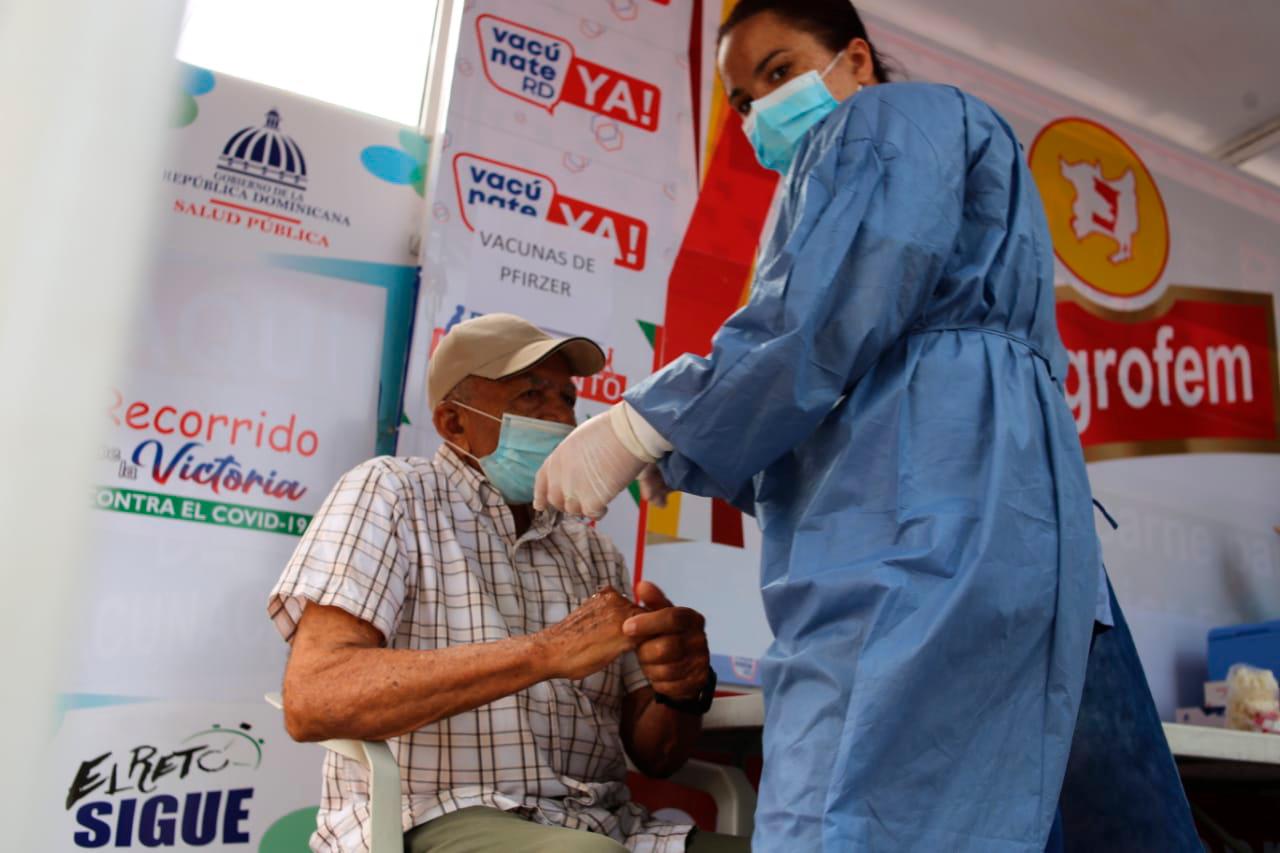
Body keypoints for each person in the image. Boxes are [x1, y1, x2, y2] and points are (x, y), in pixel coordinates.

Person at [534, 2, 1195, 851]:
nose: (761, 109)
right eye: (741, 100)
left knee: (856, 805)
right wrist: (694, 445)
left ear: (855, 59)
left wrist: (650, 422)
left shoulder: (888, 122)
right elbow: (825, 359)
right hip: (1012, 537)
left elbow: (814, 322)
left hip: (927, 539)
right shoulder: (900, 185)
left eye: (779, 71)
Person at [269, 314, 749, 853]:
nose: (562, 418)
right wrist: (546, 653)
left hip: (609, 826)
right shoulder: (393, 493)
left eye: (568, 400)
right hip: (433, 816)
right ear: (453, 423)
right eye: (530, 397)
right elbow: (315, 697)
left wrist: (680, 687)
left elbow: (658, 756)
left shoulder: (593, 550)